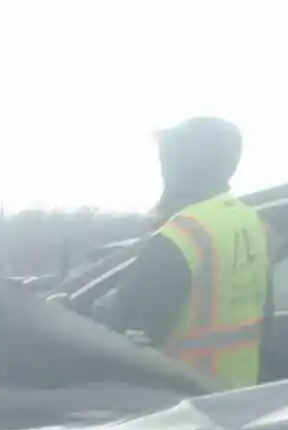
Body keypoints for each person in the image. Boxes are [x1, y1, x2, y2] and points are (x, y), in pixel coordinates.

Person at [107, 116, 270, 386]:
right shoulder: (251, 222)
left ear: (186, 168)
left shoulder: (179, 237)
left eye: (168, 162)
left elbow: (124, 332)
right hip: (241, 398)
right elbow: (266, 318)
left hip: (181, 407)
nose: (164, 173)